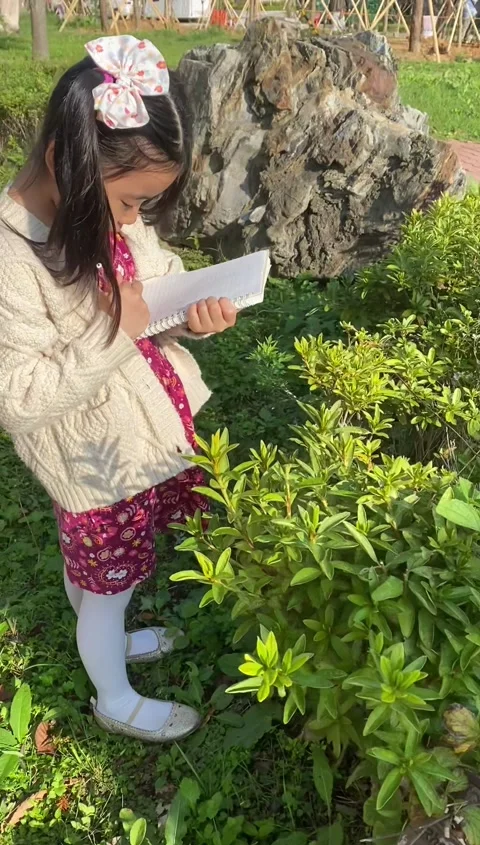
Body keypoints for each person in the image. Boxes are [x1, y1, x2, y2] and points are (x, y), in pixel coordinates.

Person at [0, 35, 237, 743]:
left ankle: (108, 633)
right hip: (94, 467)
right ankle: (112, 694)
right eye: (131, 202)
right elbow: (17, 393)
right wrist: (116, 332)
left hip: (138, 435)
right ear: (65, 164)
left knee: (110, 576)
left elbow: (153, 279)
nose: (134, 223)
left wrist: (190, 313)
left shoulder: (95, 212)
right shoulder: (11, 255)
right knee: (107, 586)